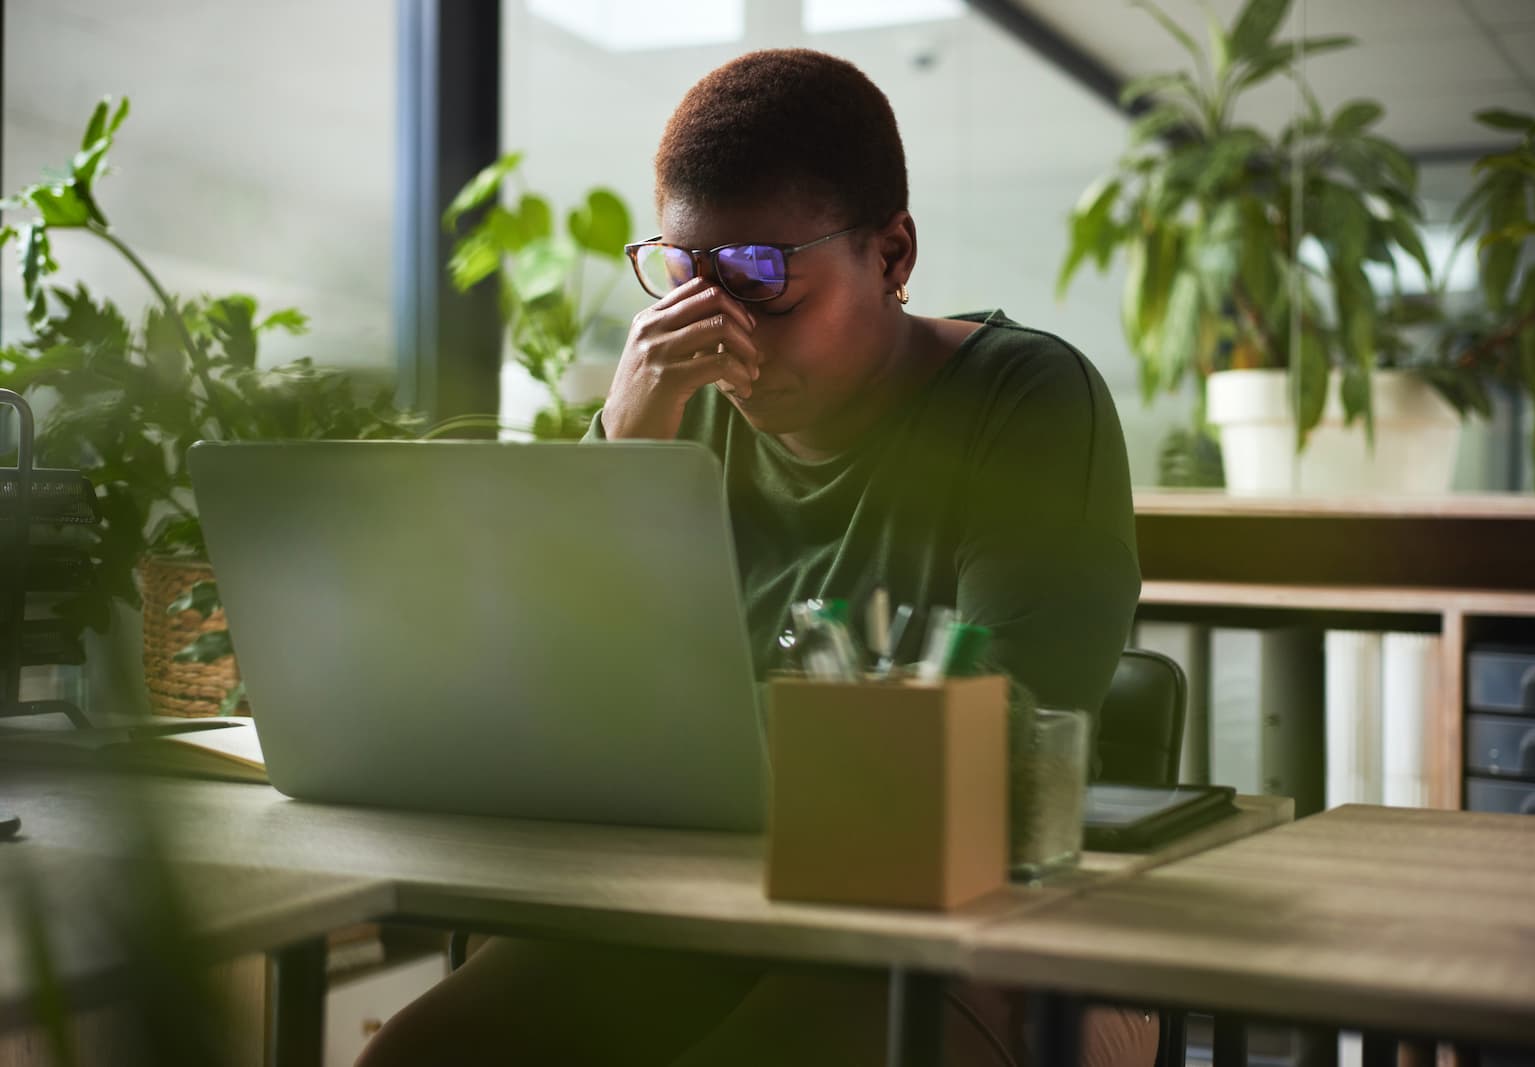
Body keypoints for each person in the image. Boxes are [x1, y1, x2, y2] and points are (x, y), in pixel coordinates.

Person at [358, 48, 1147, 1067]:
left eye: (763, 278)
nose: (718, 329)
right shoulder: (676, 420)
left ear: (891, 256)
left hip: (986, 930)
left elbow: (1007, 717)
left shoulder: (1027, 402)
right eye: (685, 278)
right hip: (707, 903)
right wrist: (625, 444)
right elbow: (552, 696)